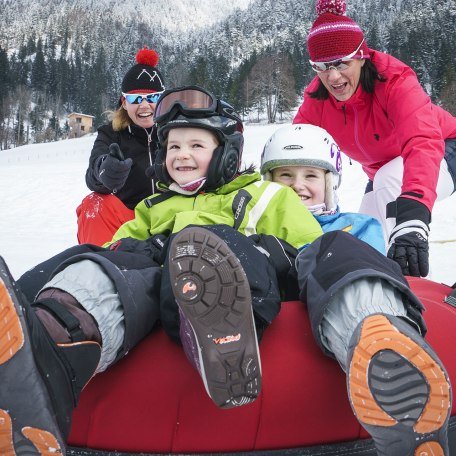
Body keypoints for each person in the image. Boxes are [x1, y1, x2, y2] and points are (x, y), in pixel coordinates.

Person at [0, 87, 451, 456]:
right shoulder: (153, 207)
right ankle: (43, 345)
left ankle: (378, 341)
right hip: (161, 289)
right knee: (108, 263)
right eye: (173, 145)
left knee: (331, 250)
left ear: (227, 153)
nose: (181, 154)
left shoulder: (264, 198)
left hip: (250, 276)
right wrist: (106, 258)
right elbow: (115, 250)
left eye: (196, 144)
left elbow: (312, 251)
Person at [293, 0, 456, 278]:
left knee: (390, 189)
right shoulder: (317, 99)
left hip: (443, 149)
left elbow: (422, 140)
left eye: (341, 63)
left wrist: (413, 216)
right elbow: (293, 152)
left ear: (361, 55)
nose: (332, 76)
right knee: (364, 234)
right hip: (383, 172)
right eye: (321, 66)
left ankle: (406, 282)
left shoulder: (394, 80)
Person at [76, 46, 166, 246]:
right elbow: (94, 170)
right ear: (124, 102)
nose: (144, 105)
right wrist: (104, 171)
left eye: (152, 97)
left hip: (170, 219)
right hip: (127, 224)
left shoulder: (177, 131)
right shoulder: (110, 134)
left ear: (162, 100)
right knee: (95, 203)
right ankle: (102, 267)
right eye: (135, 99)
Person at [261, 123, 385, 253]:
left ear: (330, 184)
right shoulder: (256, 226)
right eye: (285, 175)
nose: (297, 185)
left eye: (310, 175)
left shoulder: (359, 228)